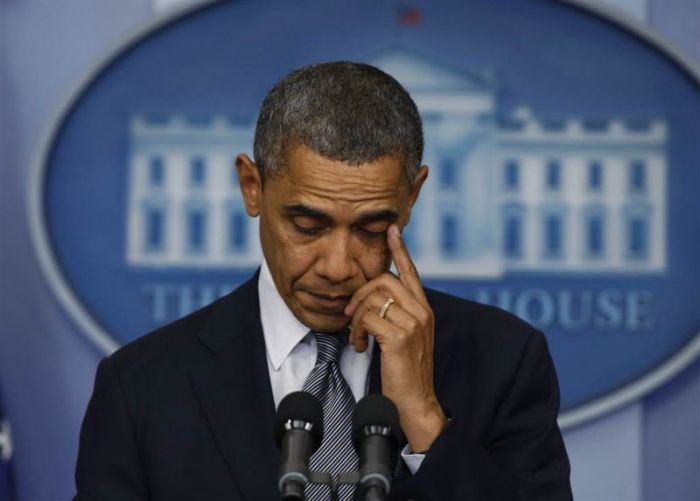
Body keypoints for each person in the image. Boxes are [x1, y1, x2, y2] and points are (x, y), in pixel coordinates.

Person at [74, 61, 572, 500]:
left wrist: (424, 419)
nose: (338, 266)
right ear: (252, 187)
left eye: (373, 229)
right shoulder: (142, 387)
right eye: (308, 227)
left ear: (413, 195)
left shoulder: (504, 360)